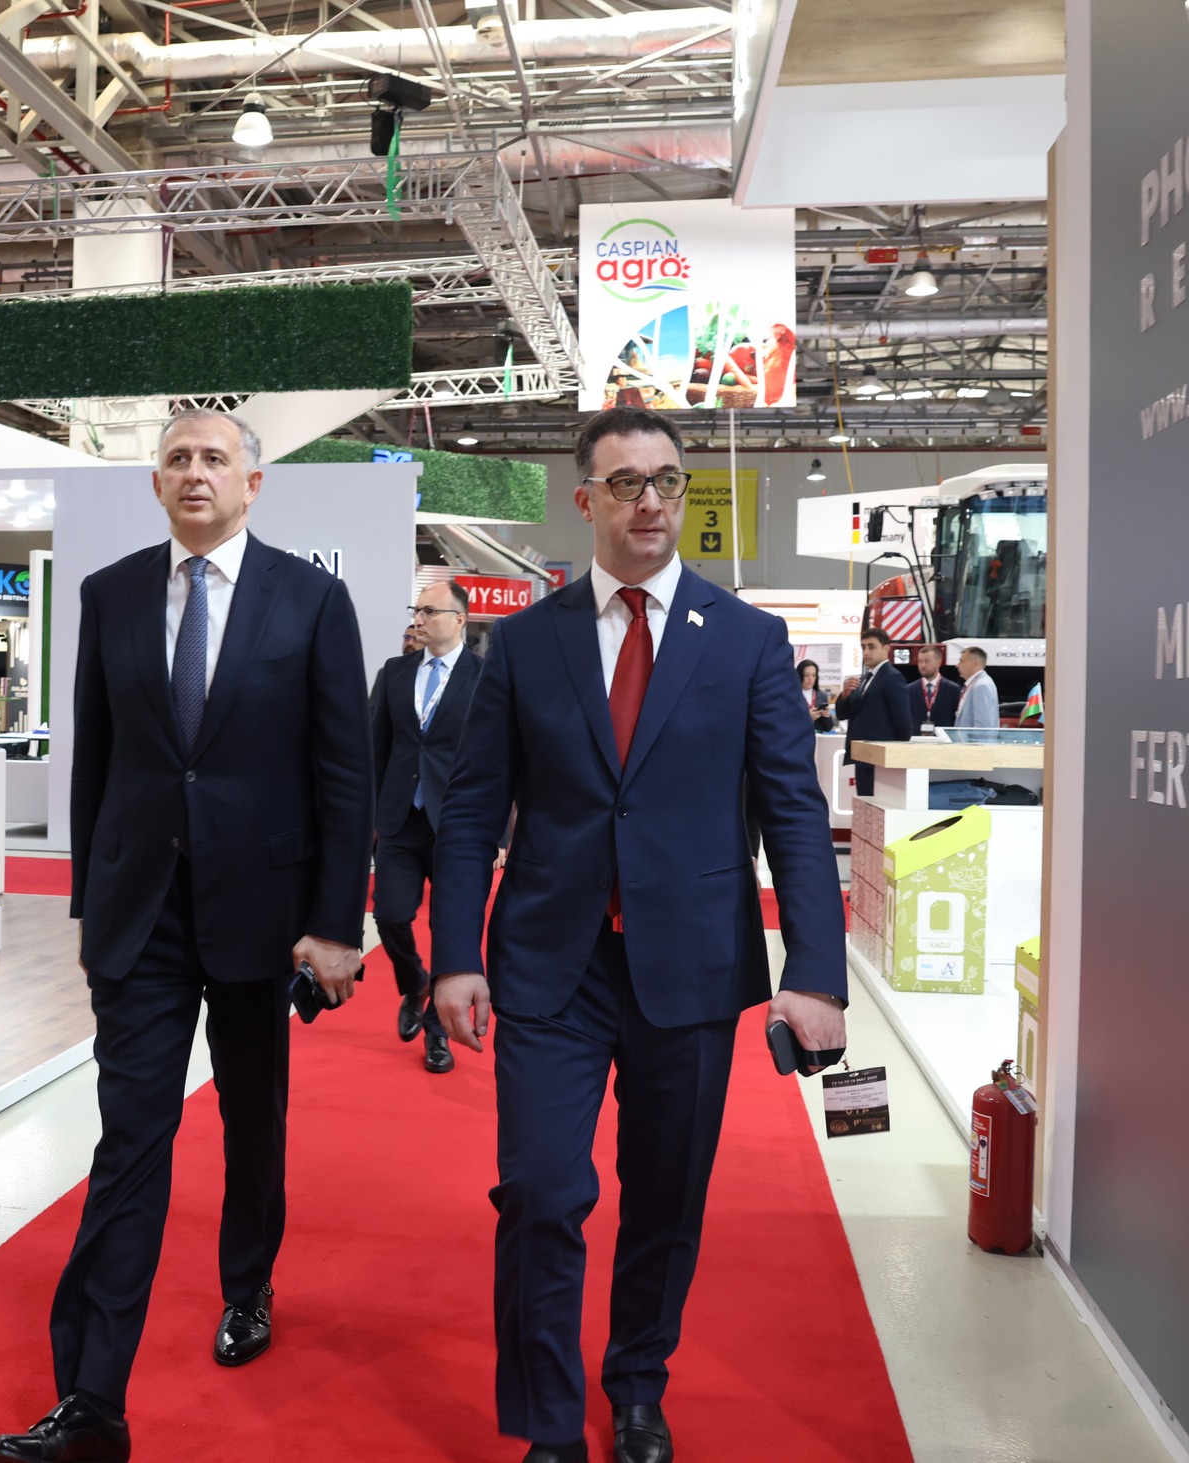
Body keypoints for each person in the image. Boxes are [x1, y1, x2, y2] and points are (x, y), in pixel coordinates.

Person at [430, 407, 848, 1463]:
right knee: (539, 1191)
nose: (650, 499)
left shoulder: (745, 640)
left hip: (692, 965)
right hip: (549, 965)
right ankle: (547, 1421)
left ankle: (636, 1384)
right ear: (586, 500)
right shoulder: (525, 644)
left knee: (665, 1198)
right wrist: (455, 955)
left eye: (666, 479)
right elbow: (471, 810)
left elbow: (793, 812)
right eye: (625, 482)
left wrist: (815, 970)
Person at [0, 409, 373, 1463]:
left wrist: (335, 923)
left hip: (265, 917)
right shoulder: (109, 592)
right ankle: (91, 1402)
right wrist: (90, 905)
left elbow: (346, 772)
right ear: (155, 483)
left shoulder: (311, 598)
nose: (194, 472)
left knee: (252, 1122)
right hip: (142, 917)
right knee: (129, 1141)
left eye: (213, 458)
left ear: (253, 482)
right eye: (176, 459)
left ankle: (247, 1283)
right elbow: (97, 761)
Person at [370, 580, 484, 1075]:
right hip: (399, 820)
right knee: (390, 915)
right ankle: (414, 982)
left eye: (429, 611)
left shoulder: (485, 676)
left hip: (457, 823)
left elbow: (499, 758)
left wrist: (501, 833)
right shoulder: (394, 673)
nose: (418, 619)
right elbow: (376, 748)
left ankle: (437, 1032)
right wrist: (369, 818)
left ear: (460, 619)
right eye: (416, 610)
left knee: (448, 929)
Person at [836, 627, 913, 798]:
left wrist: (893, 753)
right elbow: (843, 714)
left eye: (871, 647)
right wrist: (844, 696)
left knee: (879, 804)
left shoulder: (892, 678)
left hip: (881, 759)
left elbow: (903, 723)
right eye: (863, 647)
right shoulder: (864, 679)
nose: (866, 652)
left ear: (886, 648)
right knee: (865, 804)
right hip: (862, 756)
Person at [910, 646, 961, 730]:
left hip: (943, 736)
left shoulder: (953, 690)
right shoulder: (910, 690)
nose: (923, 665)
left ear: (938, 663)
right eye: (920, 661)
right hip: (916, 737)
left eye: (927, 661)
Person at [957, 646, 1000, 729]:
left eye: (961, 661)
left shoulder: (981, 686)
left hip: (972, 738)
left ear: (975, 663)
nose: (957, 665)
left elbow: (983, 727)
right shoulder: (977, 684)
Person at [797, 658, 835, 731]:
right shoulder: (791, 696)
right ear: (799, 675)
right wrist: (807, 718)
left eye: (814, 675)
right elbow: (786, 722)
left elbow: (828, 728)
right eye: (806, 675)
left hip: (817, 736)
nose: (810, 679)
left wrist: (827, 716)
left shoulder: (822, 695)